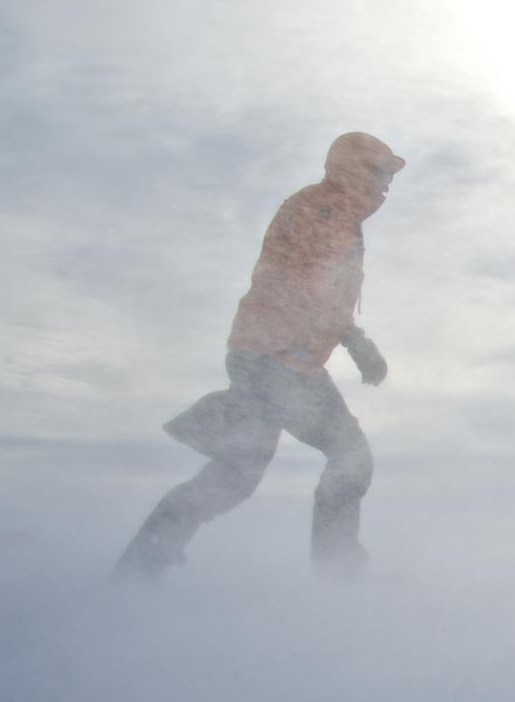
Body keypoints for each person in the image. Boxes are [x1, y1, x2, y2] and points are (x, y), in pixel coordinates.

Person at [114, 132, 406, 581]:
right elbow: (313, 285)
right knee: (350, 457)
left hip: (270, 354)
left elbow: (318, 289)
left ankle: (142, 562)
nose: (387, 184)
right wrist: (356, 343)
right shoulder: (323, 211)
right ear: (356, 171)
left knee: (238, 470)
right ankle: (339, 575)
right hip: (281, 359)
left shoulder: (335, 212)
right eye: (380, 172)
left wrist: (346, 341)